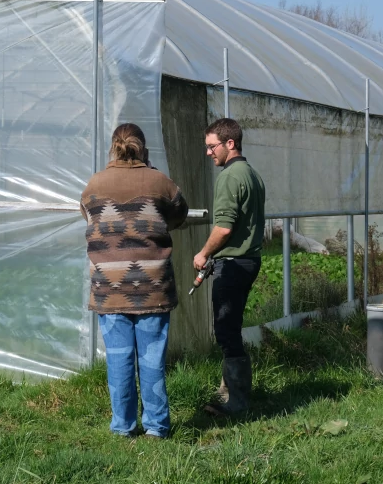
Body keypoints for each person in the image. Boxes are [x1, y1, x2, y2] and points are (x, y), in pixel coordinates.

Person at [80, 123, 188, 439]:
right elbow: (179, 215)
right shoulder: (161, 183)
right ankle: (156, 428)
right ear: (144, 147)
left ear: (113, 147)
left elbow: (86, 215)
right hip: (152, 287)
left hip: (109, 289)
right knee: (152, 359)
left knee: (119, 360)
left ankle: (123, 428)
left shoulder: (95, 184)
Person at [193, 118, 266, 416]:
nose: (209, 153)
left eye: (212, 147)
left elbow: (224, 228)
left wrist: (203, 253)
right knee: (230, 327)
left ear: (230, 143)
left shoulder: (229, 177)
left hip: (234, 264)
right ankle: (230, 391)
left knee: (226, 331)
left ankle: (236, 403)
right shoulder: (252, 174)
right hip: (248, 260)